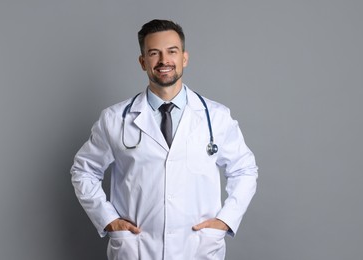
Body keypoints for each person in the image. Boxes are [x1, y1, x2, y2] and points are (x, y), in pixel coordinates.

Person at [71, 19, 258, 260]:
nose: (164, 61)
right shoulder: (115, 119)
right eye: (153, 53)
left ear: (184, 58)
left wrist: (225, 221)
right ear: (142, 62)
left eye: (172, 51)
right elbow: (83, 170)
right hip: (137, 249)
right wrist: (108, 221)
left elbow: (245, 170)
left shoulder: (217, 117)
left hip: (198, 248)